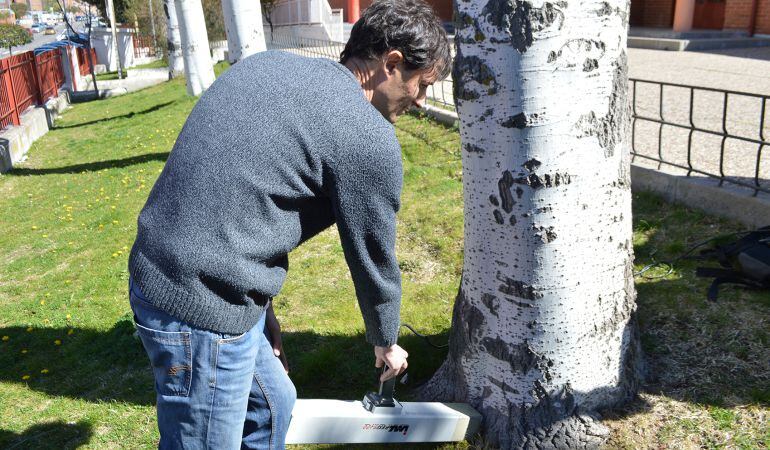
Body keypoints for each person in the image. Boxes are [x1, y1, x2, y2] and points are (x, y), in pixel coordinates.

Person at [127, 0, 451, 448]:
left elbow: (244, 198)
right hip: (199, 306)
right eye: (422, 85)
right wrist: (386, 341)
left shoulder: (270, 66)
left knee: (271, 406)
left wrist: (263, 308)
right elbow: (374, 260)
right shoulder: (367, 137)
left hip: (173, 268)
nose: (420, 101)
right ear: (391, 64)